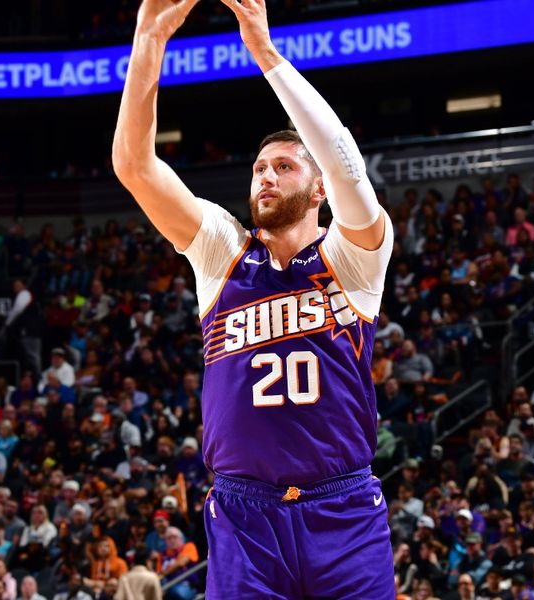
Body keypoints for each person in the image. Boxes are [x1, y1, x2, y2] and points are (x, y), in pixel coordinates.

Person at [112, 0, 393, 596]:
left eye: (284, 166)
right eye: (259, 167)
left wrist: (266, 56)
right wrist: (148, 43)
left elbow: (348, 166)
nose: (264, 175)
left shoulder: (356, 255)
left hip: (342, 509)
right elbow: (135, 167)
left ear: (317, 187)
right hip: (244, 517)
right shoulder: (222, 251)